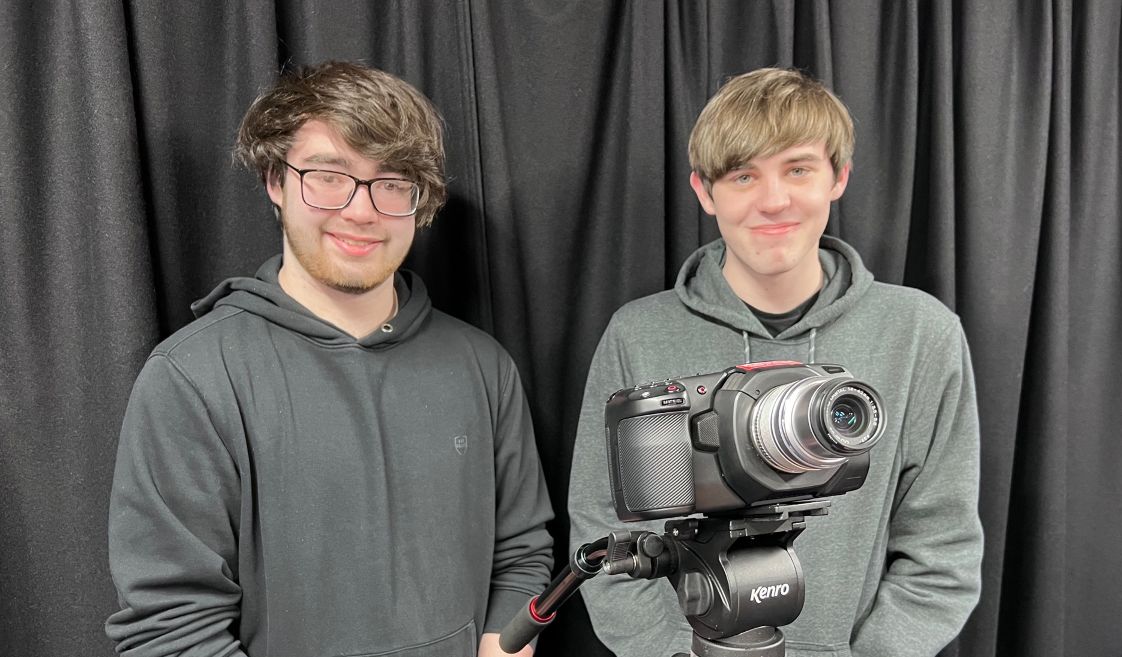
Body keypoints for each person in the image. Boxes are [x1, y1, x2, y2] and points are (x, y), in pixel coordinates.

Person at [106, 61, 553, 657]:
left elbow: (521, 551)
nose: (362, 210)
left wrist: (502, 643)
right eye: (327, 176)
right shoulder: (194, 378)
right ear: (275, 181)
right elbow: (172, 626)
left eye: (392, 181)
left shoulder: (483, 366)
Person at [568, 67, 983, 657]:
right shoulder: (638, 335)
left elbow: (942, 549)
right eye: (743, 175)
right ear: (704, 192)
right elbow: (605, 534)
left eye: (798, 169)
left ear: (839, 177)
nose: (773, 201)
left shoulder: (919, 333)